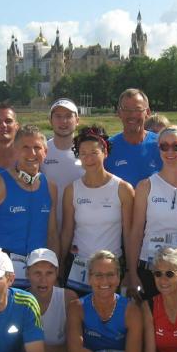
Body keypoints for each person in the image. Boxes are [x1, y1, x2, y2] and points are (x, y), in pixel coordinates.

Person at [127, 125, 177, 297]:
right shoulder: (145, 186)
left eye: (176, 146)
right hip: (150, 267)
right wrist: (132, 273)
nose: (170, 151)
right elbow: (136, 232)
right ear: (159, 149)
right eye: (164, 146)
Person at [0, 125, 59, 286]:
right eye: (25, 147)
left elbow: (52, 235)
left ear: (45, 152)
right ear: (15, 150)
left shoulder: (50, 187)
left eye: (37, 148)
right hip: (2, 271)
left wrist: (55, 275)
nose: (31, 153)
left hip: (38, 272)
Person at [60, 126, 134, 296]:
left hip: (111, 265)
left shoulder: (123, 189)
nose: (89, 158)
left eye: (94, 152)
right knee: (77, 310)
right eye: (83, 153)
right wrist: (61, 264)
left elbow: (129, 234)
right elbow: (66, 232)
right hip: (78, 265)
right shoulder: (72, 190)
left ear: (105, 153)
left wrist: (131, 270)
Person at [104, 88, 161, 187]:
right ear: (119, 113)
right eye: (126, 109)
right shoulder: (107, 147)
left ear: (147, 112)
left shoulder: (162, 145)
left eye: (137, 109)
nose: (132, 114)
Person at [43, 98, 84, 227]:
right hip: (47, 227)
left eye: (68, 116)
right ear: (50, 120)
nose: (63, 121)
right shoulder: (40, 151)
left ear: (77, 120)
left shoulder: (87, 151)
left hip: (80, 229)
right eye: (58, 116)